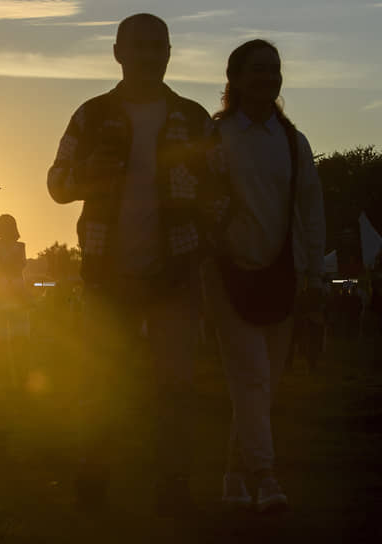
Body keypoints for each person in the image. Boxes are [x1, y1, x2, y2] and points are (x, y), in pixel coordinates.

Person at [47, 13, 228, 514]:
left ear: (169, 52)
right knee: (103, 381)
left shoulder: (193, 119)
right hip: (107, 273)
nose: (151, 55)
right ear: (118, 53)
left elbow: (218, 192)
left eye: (159, 46)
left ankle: (172, 483)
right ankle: (96, 475)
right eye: (140, 46)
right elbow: (57, 184)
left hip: (176, 273)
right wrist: (87, 173)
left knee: (176, 385)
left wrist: (209, 243)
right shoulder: (90, 115)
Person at [201, 39, 325, 513]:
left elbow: (310, 210)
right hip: (226, 273)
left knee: (262, 383)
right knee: (252, 376)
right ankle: (266, 477)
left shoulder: (293, 141)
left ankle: (234, 474)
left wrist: (313, 273)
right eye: (258, 70)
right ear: (234, 78)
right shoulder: (214, 137)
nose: (268, 79)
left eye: (274, 70)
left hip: (282, 275)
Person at [0, 214, 31, 392]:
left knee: (2, 340)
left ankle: (4, 378)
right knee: (16, 339)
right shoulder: (20, 247)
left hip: (0, 296)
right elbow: (18, 267)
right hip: (14, 296)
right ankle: (17, 376)